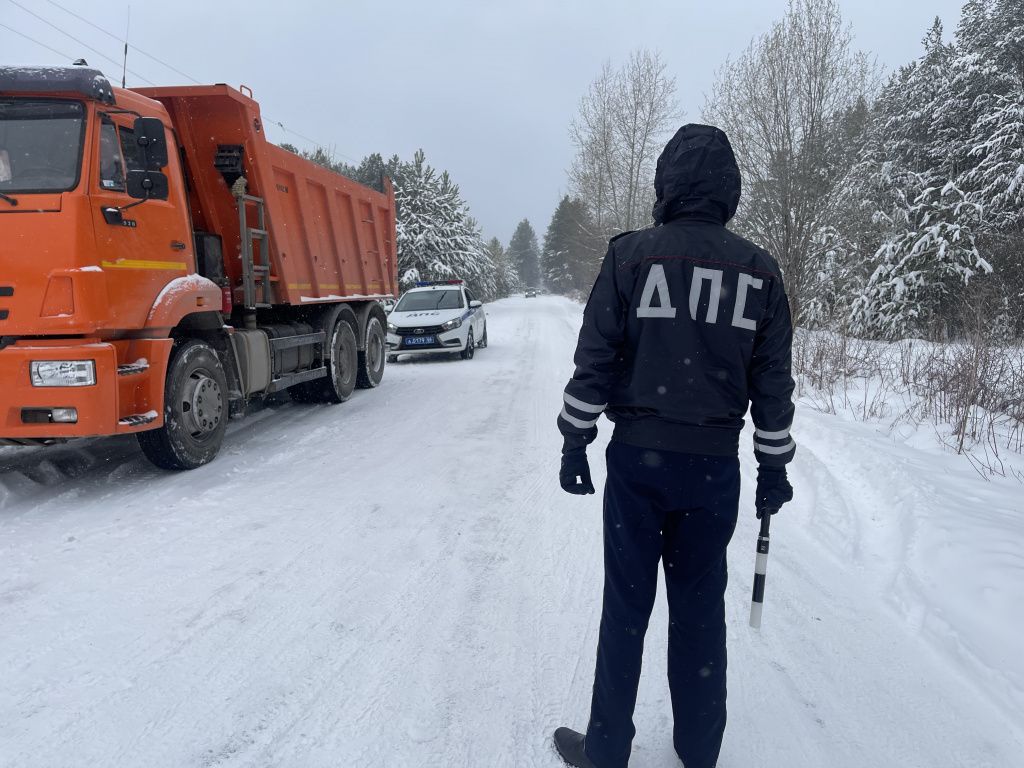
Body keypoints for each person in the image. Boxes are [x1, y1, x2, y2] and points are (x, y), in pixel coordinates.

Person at [553, 124, 796, 768]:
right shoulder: (759, 272)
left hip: (637, 462)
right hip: (713, 470)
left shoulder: (630, 258)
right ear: (728, 190)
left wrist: (575, 440)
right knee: (698, 611)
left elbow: (595, 360)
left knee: (626, 606)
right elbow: (772, 385)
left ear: (667, 183)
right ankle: (698, 749)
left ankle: (606, 750)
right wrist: (773, 467)